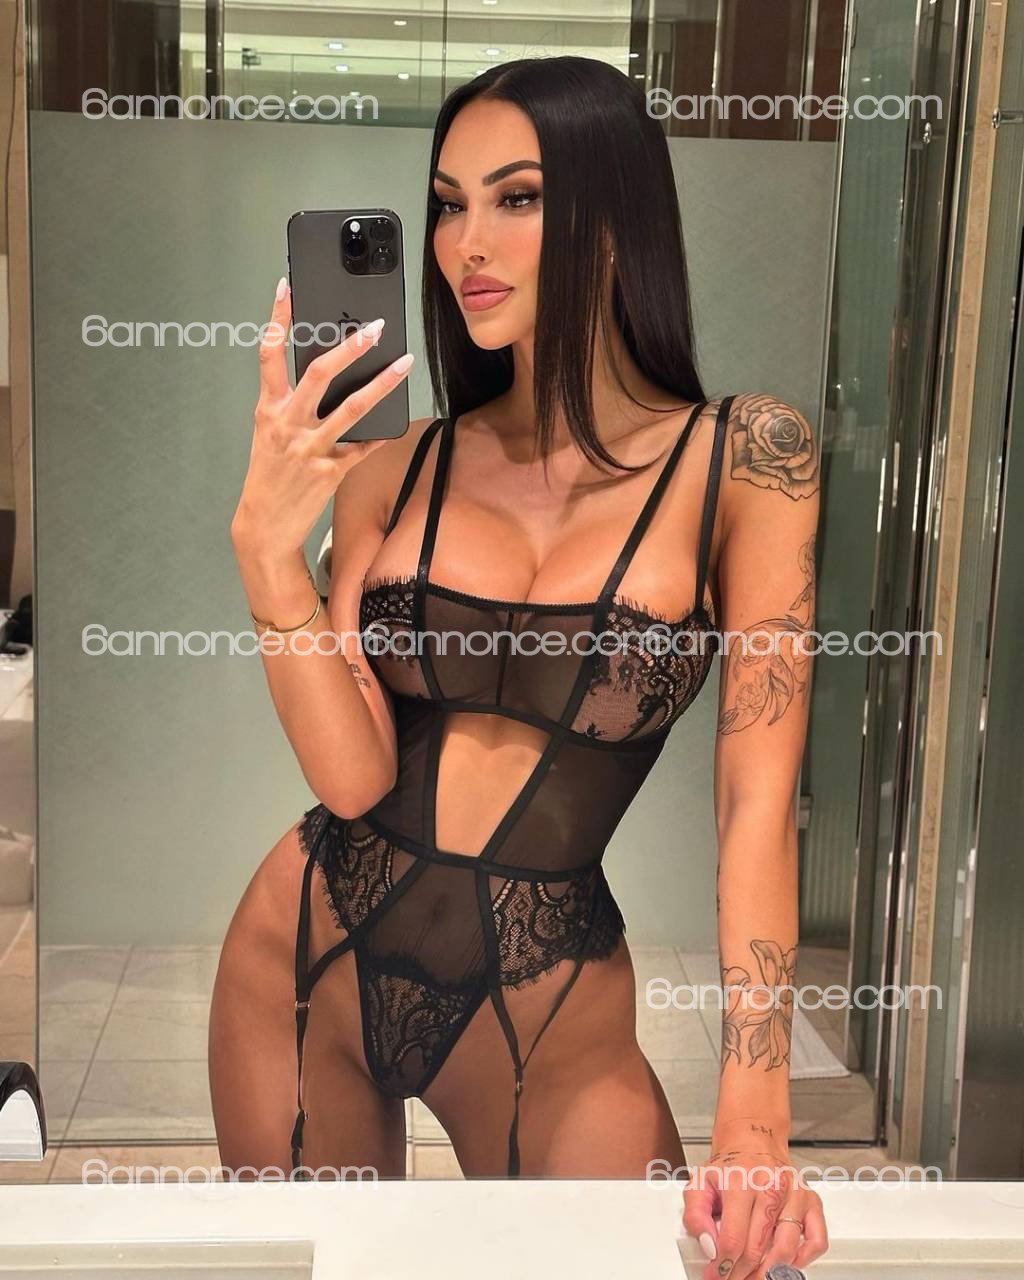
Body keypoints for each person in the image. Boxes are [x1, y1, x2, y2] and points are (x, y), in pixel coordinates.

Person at [210, 55, 827, 1279]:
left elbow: (755, 802)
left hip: (551, 1005)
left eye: (518, 197)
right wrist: (266, 554)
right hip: (308, 953)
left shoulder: (748, 457)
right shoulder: (394, 466)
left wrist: (756, 1112)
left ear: (614, 213)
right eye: (448, 203)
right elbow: (351, 775)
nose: (467, 243)